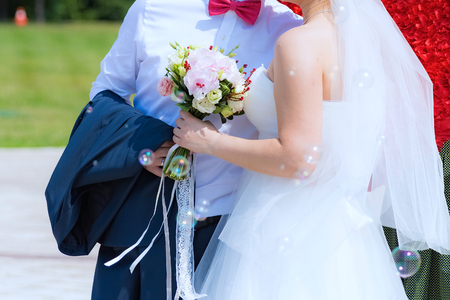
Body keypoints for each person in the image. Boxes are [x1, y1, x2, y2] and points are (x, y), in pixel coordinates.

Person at [173, 0, 450, 298]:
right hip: (342, 229)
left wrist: (210, 141)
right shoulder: (362, 44)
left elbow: (297, 159)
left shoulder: (300, 43)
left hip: (284, 231)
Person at [45, 0, 302, 299]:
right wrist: (142, 143)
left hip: (232, 231)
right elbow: (106, 90)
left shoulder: (289, 29)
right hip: (143, 217)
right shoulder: (151, 8)